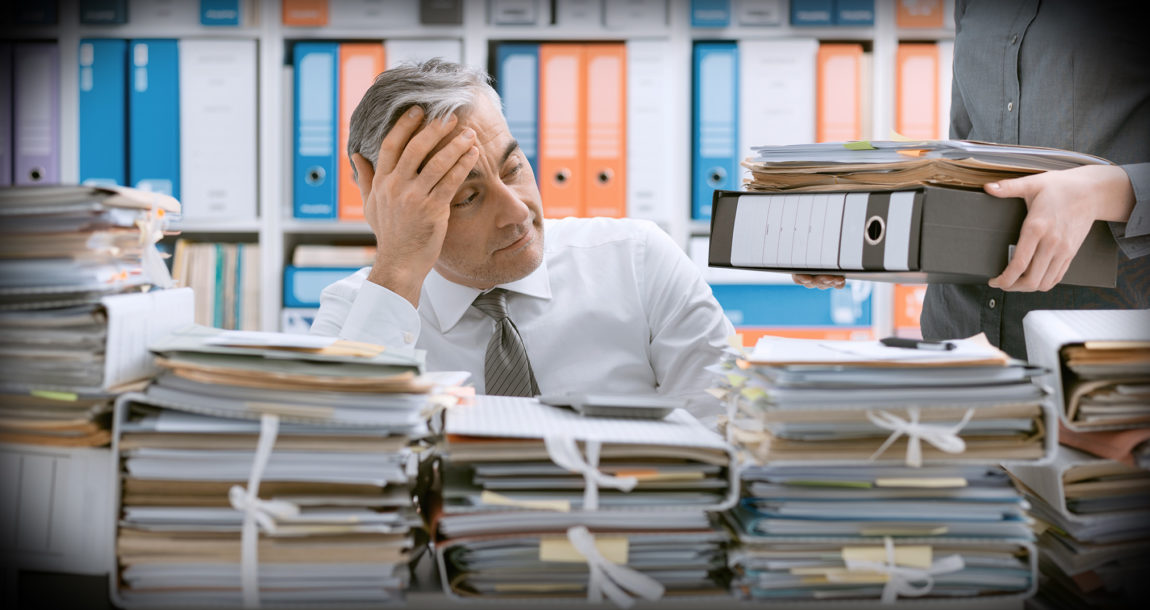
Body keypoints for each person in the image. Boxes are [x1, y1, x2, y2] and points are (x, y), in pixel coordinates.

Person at [310, 59, 734, 417]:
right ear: (393, 207)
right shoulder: (355, 314)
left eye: (513, 168)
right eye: (468, 197)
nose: (518, 211)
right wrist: (398, 267)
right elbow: (322, 478)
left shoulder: (639, 261)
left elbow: (729, 432)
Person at [796, 0, 1150, 359]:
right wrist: (862, 236)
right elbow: (963, 161)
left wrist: (1098, 192)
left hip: (1096, 350)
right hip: (956, 334)